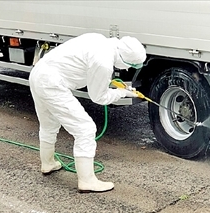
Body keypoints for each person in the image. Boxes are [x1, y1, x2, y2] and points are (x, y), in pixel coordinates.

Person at [29, 33, 146, 193]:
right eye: (128, 65)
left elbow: (88, 69)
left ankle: (48, 163)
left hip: (38, 74)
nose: (126, 69)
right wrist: (122, 93)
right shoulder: (104, 62)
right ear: (122, 59)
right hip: (51, 83)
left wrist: (119, 87)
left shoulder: (100, 40)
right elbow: (99, 97)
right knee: (85, 129)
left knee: (49, 124)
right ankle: (87, 181)